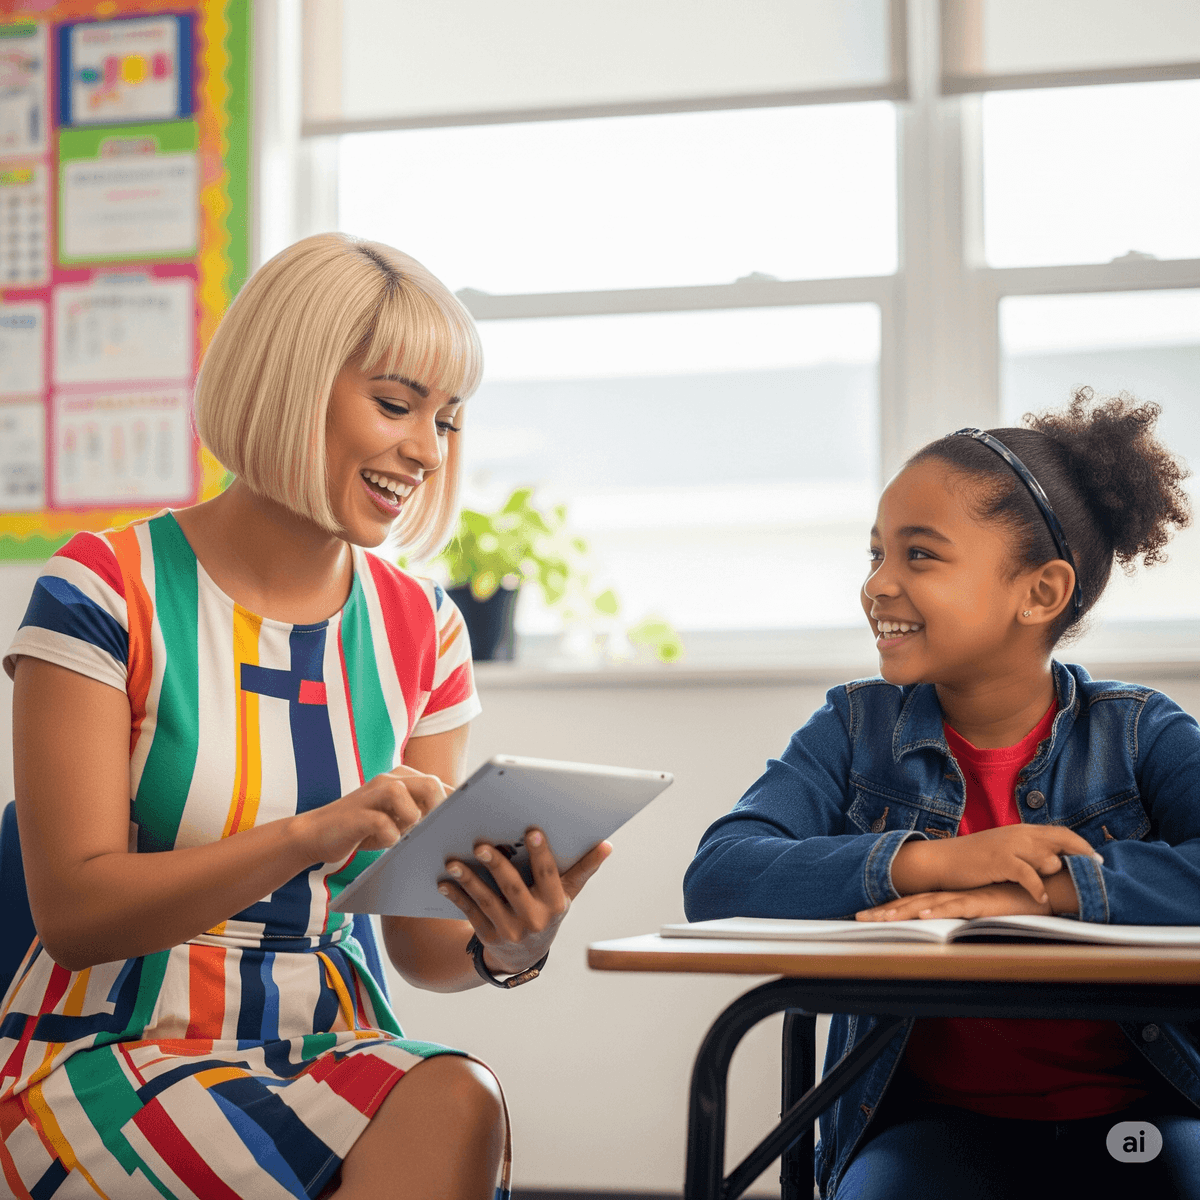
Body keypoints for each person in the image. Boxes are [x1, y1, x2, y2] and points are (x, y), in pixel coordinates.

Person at [0, 233, 610, 1200]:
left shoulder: (424, 629)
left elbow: (418, 945)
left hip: (330, 1043)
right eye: (395, 404)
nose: (424, 449)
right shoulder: (107, 589)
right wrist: (305, 837)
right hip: (113, 1044)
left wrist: (510, 943)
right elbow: (75, 916)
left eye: (447, 420)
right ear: (291, 381)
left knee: (462, 1095)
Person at [683, 390, 1200, 1199]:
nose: (878, 586)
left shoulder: (1139, 733)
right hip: (934, 1130)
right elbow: (718, 877)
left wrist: (1041, 896)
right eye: (875, 554)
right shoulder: (856, 727)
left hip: (1149, 1115)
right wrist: (934, 864)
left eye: (918, 556)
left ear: (1040, 592)